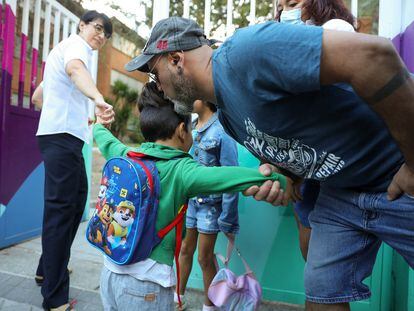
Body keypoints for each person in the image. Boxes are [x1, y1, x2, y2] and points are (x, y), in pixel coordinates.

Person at [125, 16, 414, 311]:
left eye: (154, 73)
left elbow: (375, 56)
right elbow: (297, 140)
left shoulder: (247, 51)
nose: (157, 87)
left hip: (398, 174)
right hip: (341, 193)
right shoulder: (228, 116)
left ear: (176, 59)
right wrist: (282, 175)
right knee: (322, 294)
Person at [93, 82, 291, 311]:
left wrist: (100, 124)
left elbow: (106, 141)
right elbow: (224, 177)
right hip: (146, 286)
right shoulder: (181, 171)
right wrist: (279, 180)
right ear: (181, 131)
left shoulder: (127, 154)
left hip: (109, 273)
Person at [33, 10, 114, 311]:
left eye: (106, 34)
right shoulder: (76, 47)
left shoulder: (63, 49)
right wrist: (97, 98)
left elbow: (37, 96)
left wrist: (61, 108)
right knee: (60, 212)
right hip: (62, 138)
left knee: (75, 203)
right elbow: (75, 70)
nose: (101, 36)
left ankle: (47, 267)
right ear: (82, 25)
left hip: (63, 138)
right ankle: (54, 299)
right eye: (98, 28)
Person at [275, 0, 356, 261]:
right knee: (311, 256)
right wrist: (289, 170)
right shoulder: (283, 43)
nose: (287, 7)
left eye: (294, 2)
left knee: (330, 261)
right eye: (282, 3)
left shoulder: (337, 29)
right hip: (307, 169)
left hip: (341, 164)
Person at [177, 100, 239, 311]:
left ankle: (210, 307)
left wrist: (228, 218)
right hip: (192, 202)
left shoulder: (223, 130)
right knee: (185, 249)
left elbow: (231, 177)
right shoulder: (191, 126)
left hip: (212, 208)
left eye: (192, 94)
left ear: (205, 98)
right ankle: (178, 298)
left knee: (205, 258)